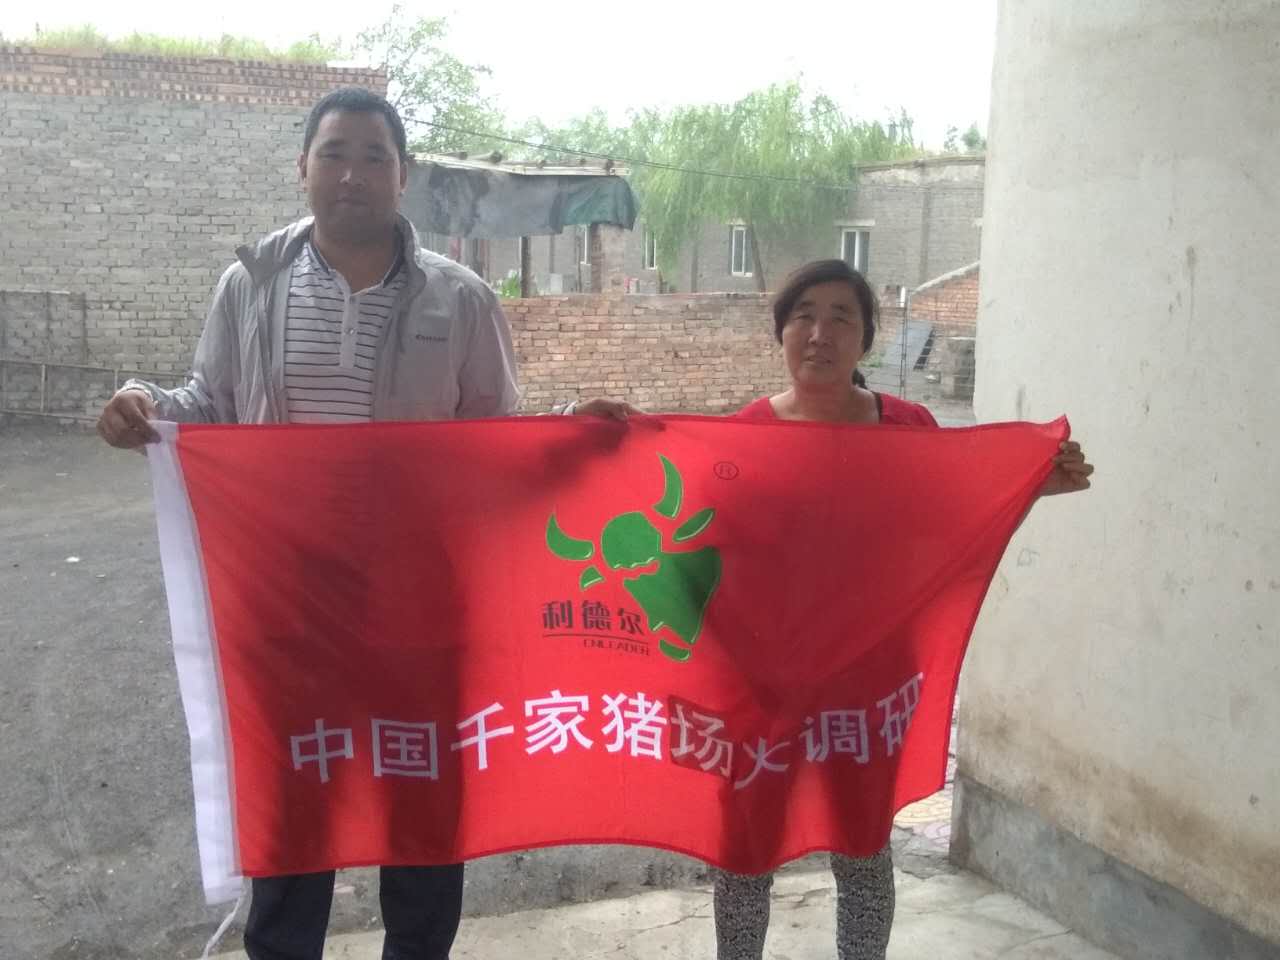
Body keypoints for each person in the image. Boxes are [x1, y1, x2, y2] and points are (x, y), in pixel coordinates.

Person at [97, 86, 514, 960]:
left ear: (403, 176)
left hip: (416, 604)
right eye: (334, 154)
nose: (352, 174)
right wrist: (147, 406)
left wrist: (583, 437)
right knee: (294, 807)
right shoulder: (251, 285)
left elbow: (499, 441)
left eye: (373, 157)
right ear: (303, 168)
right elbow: (209, 402)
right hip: (287, 602)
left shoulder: (461, 300)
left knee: (420, 805)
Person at [717, 258, 1093, 960]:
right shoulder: (744, 436)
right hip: (765, 685)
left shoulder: (907, 427)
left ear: (865, 339)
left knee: (862, 849)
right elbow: (689, 529)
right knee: (745, 853)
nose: (820, 333)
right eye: (803, 316)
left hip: (870, 680)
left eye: (841, 317)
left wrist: (1029, 482)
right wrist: (599, 439)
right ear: (780, 332)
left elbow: (953, 513)